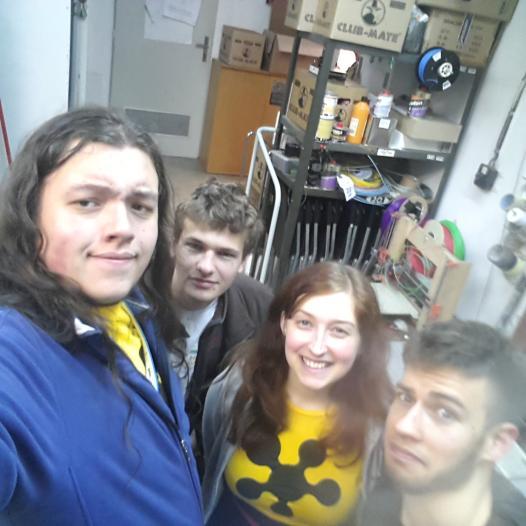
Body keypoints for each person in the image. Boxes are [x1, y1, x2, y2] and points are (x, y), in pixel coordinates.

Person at [0, 107, 203, 525]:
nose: (123, 227)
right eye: (88, 202)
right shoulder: (14, 358)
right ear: (30, 213)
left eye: (140, 206)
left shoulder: (133, 304)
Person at [202, 262, 393, 525]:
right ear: (284, 323)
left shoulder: (378, 425)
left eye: (339, 331)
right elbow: (210, 450)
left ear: (363, 341)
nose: (317, 347)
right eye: (305, 323)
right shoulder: (241, 383)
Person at [359, 319, 526, 526]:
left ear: (496, 442)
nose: (403, 426)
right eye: (406, 397)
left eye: (445, 413)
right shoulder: (400, 472)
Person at [169, 179, 273, 467]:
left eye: (225, 254)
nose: (206, 266)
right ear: (174, 244)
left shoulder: (260, 308)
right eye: (195, 247)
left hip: (204, 458)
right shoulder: (134, 295)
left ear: (244, 262)